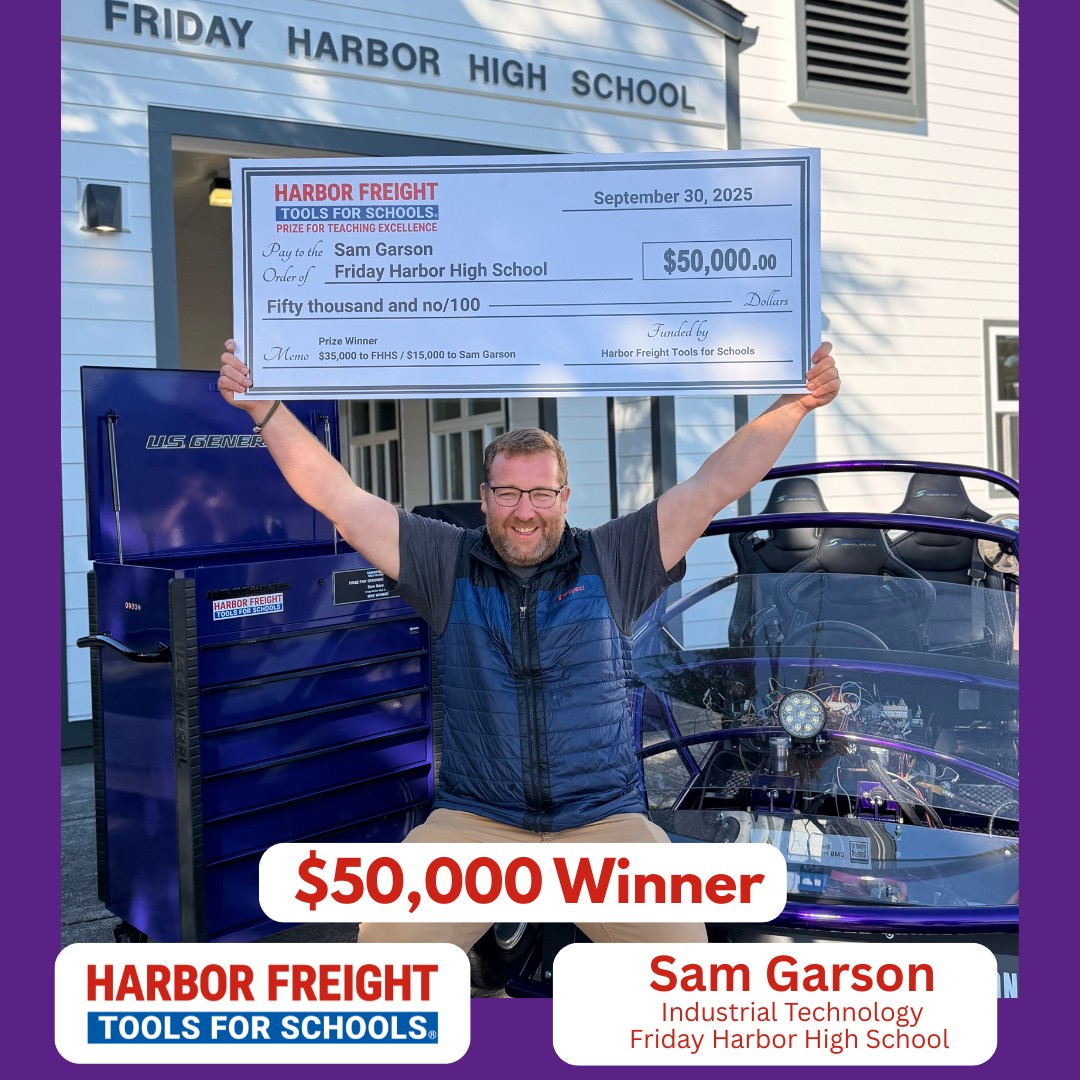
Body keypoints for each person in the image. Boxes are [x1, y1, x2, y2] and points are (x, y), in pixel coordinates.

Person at [217, 339, 840, 949]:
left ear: (564, 497)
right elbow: (340, 498)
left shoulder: (613, 558)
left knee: (678, 972)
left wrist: (796, 403)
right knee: (391, 959)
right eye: (508, 493)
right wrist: (263, 409)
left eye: (541, 493)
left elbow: (713, 484)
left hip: (603, 821)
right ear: (485, 498)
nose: (524, 511)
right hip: (476, 820)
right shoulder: (444, 562)